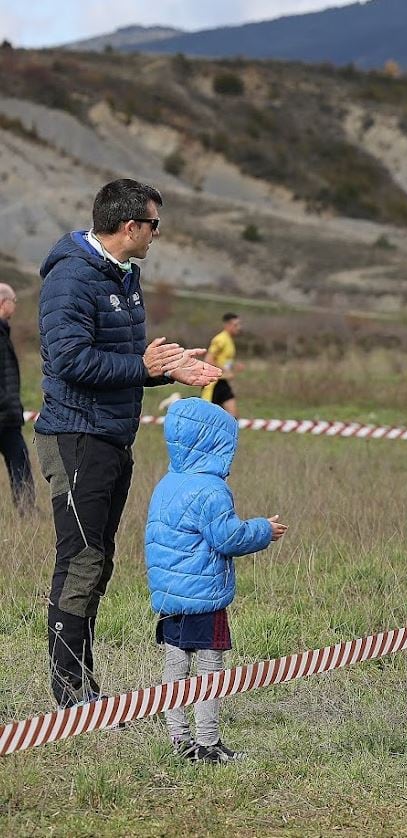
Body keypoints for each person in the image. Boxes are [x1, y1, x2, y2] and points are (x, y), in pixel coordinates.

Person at [35, 178, 221, 708]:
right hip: (75, 435)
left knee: (100, 560)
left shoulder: (125, 276)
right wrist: (142, 365)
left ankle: (83, 683)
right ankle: (70, 691)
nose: (158, 235)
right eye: (154, 225)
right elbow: (69, 360)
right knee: (81, 559)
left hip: (113, 434)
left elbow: (123, 363)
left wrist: (167, 369)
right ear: (130, 226)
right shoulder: (70, 279)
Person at [145, 398, 287, 763]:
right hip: (203, 596)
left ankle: (179, 740)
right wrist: (263, 530)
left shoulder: (167, 483)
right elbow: (228, 538)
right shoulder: (211, 490)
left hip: (170, 597)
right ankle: (208, 743)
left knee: (175, 669)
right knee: (210, 671)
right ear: (215, 445)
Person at [0, 283, 34, 513]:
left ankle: (26, 509)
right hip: (4, 413)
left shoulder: (4, 331)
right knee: (19, 461)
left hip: (8, 414)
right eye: (14, 301)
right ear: (4, 303)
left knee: (19, 461)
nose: (15, 305)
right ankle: (27, 510)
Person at [201, 313, 244, 418]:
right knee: (204, 418)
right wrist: (225, 370)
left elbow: (224, 359)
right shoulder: (220, 339)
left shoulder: (229, 340)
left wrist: (234, 365)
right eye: (236, 325)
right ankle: (174, 402)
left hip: (222, 381)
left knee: (233, 418)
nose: (239, 328)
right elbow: (208, 359)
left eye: (239, 324)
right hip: (213, 383)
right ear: (227, 325)